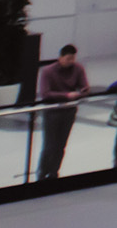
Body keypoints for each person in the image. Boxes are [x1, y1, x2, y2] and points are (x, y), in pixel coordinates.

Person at [34, 44, 90, 180]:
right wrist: (66, 95)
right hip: (52, 112)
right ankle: (42, 173)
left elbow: (85, 87)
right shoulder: (48, 71)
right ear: (60, 57)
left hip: (69, 112)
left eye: (73, 58)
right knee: (49, 145)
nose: (71, 61)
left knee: (61, 145)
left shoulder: (78, 68)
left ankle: (54, 172)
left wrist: (82, 92)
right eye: (68, 58)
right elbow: (45, 93)